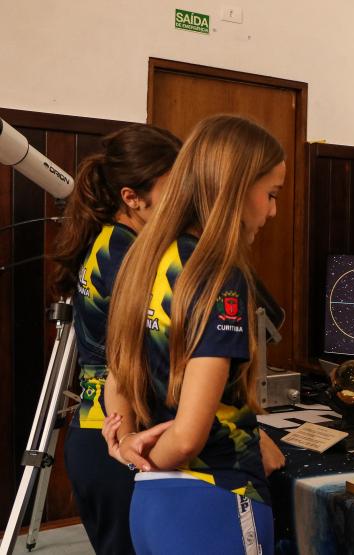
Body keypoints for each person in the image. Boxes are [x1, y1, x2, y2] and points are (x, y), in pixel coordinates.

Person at [102, 114, 286, 554]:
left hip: (151, 506)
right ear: (236, 189)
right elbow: (187, 437)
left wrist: (127, 446)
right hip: (216, 500)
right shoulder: (218, 276)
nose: (272, 211)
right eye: (271, 194)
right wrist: (144, 459)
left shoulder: (145, 259)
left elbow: (118, 374)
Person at [49, 123, 181, 555]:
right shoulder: (127, 257)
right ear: (132, 197)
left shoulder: (110, 240)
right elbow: (141, 359)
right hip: (119, 438)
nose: (185, 200)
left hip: (97, 432)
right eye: (174, 188)